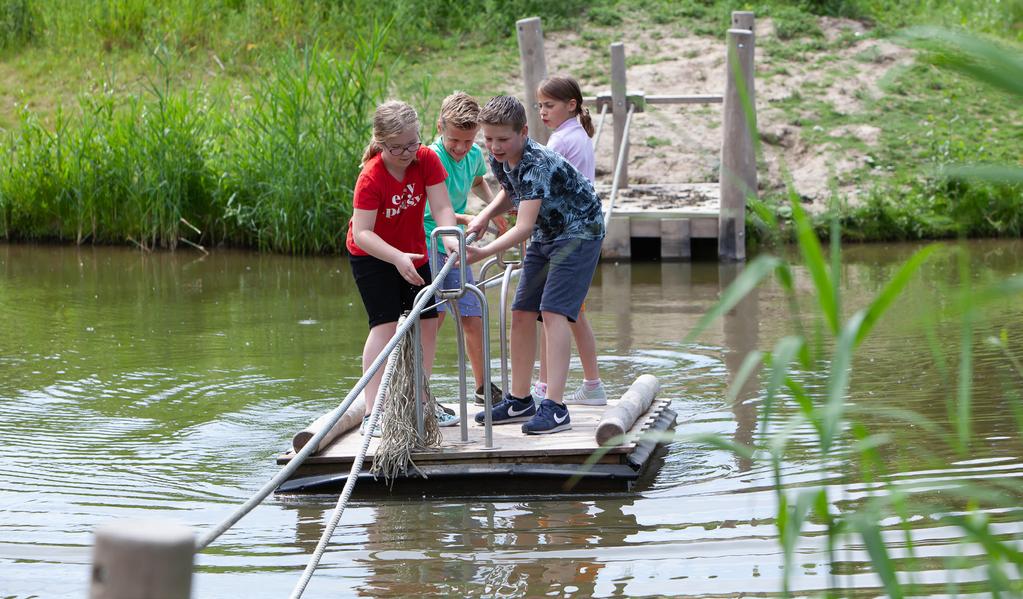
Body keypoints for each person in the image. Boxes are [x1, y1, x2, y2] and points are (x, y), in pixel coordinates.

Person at [465, 96, 605, 435]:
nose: (495, 147)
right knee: (521, 311)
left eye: (503, 139)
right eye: (489, 139)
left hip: (579, 232)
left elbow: (523, 226)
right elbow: (512, 192)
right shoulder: (500, 157)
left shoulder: (536, 162)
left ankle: (555, 408)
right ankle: (520, 399)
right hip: (548, 231)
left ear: (524, 132)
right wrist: (485, 214)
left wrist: (482, 253)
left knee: (554, 312)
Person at [346, 100, 461, 436]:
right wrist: (395, 257)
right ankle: (373, 412)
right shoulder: (371, 177)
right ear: (382, 144)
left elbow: (441, 205)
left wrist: (449, 237)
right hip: (373, 256)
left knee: (426, 324)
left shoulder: (425, 158)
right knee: (383, 327)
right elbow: (362, 233)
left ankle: (422, 401)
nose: (408, 152)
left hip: (414, 252)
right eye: (399, 147)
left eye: (414, 142)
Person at [424, 92, 505, 406]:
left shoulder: (472, 155)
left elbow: (477, 182)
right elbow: (435, 207)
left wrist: (494, 211)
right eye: (454, 140)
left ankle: (484, 387)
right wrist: (474, 216)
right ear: (440, 126)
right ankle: (421, 390)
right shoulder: (431, 158)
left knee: (472, 313)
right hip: (430, 238)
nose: (460, 148)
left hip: (456, 244)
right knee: (434, 315)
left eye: (468, 142)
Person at [532, 75, 607, 406]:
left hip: (566, 234)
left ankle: (545, 387)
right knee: (570, 312)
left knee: (553, 313)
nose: (543, 112)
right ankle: (591, 385)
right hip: (578, 232)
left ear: (571, 105)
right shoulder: (577, 135)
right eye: (539, 106)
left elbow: (542, 189)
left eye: (549, 105)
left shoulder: (560, 142)